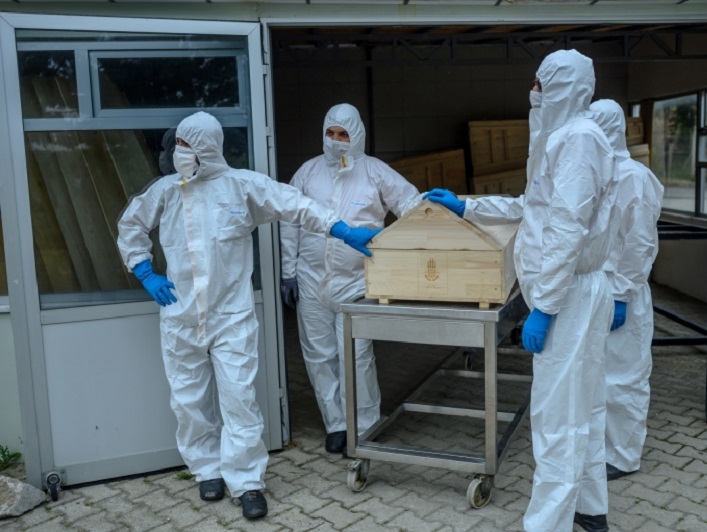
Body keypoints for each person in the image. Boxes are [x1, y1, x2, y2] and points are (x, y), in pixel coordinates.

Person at [116, 111, 379, 520]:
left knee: (240, 400)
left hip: (231, 317)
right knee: (189, 400)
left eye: (186, 144)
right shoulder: (165, 191)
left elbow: (296, 205)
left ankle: (247, 482)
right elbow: (131, 226)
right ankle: (206, 470)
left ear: (205, 147)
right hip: (180, 315)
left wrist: (340, 229)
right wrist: (144, 270)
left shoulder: (241, 186)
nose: (179, 152)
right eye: (178, 144)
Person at [426, 49, 619, 532]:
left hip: (568, 296)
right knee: (586, 408)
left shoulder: (577, 140)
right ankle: (591, 512)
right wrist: (467, 206)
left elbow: (567, 229)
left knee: (557, 419)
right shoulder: (562, 137)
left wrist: (546, 308)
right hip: (572, 292)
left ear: (562, 86)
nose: (533, 90)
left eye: (540, 82)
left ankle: (547, 524)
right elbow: (532, 206)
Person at [280, 103, 422, 455]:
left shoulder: (375, 172)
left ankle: (365, 424)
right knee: (318, 354)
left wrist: (402, 256)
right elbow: (289, 222)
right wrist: (287, 272)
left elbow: (411, 206)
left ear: (356, 135)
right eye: (330, 133)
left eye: (343, 135)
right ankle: (337, 424)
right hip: (311, 279)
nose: (336, 141)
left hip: (357, 281)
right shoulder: (308, 172)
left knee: (356, 354)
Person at [591, 99, 664, 482]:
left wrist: (620, 293)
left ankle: (622, 456)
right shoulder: (599, 175)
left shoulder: (634, 177)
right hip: (597, 290)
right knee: (599, 376)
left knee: (624, 376)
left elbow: (639, 244)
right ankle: (601, 449)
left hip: (625, 293)